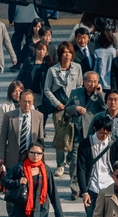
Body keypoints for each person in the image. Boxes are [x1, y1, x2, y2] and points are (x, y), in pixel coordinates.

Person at [77, 116, 118, 217]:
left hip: (109, 185)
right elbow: (81, 169)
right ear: (95, 129)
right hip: (92, 186)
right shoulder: (85, 144)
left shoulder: (115, 144)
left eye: (107, 133)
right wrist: (84, 192)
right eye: (101, 133)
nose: (104, 136)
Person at [44, 41, 83, 178]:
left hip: (73, 107)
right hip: (59, 108)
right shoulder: (52, 70)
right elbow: (47, 89)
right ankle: (60, 164)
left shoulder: (77, 68)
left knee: (74, 135)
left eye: (69, 52)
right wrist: (56, 103)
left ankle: (70, 158)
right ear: (60, 55)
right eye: (64, 52)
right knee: (60, 136)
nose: (67, 55)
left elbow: (79, 85)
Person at [64, 71, 106, 199]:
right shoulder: (76, 93)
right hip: (78, 133)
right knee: (75, 162)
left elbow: (106, 108)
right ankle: (75, 189)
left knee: (90, 162)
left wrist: (100, 94)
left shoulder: (100, 95)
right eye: (90, 81)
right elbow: (67, 108)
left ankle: (87, 188)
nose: (92, 84)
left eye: (95, 81)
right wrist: (76, 108)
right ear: (84, 82)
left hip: (93, 134)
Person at [16, 41, 54, 124]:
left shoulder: (49, 63)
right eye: (39, 49)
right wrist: (18, 86)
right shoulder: (29, 61)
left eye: (43, 50)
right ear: (36, 50)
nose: (41, 52)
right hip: (30, 91)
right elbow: (21, 74)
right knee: (29, 112)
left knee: (43, 113)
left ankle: (41, 130)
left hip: (42, 93)